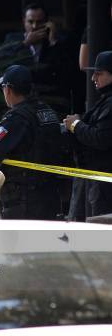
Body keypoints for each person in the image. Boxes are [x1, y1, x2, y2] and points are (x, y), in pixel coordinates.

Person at [0, 65, 69, 220]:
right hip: (50, 196)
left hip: (25, 201)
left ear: (8, 89)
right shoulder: (47, 112)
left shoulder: (17, 119)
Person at [63, 51, 112, 218]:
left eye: (99, 74)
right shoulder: (105, 100)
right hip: (96, 181)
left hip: (105, 185)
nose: (93, 79)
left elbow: (101, 138)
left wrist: (76, 125)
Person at [3, 3, 72, 115]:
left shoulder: (57, 42)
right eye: (30, 22)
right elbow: (4, 61)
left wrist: (53, 42)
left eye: (39, 22)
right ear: (24, 21)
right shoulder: (12, 39)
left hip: (51, 101)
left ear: (47, 23)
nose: (35, 26)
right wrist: (25, 43)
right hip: (21, 100)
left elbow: (65, 69)